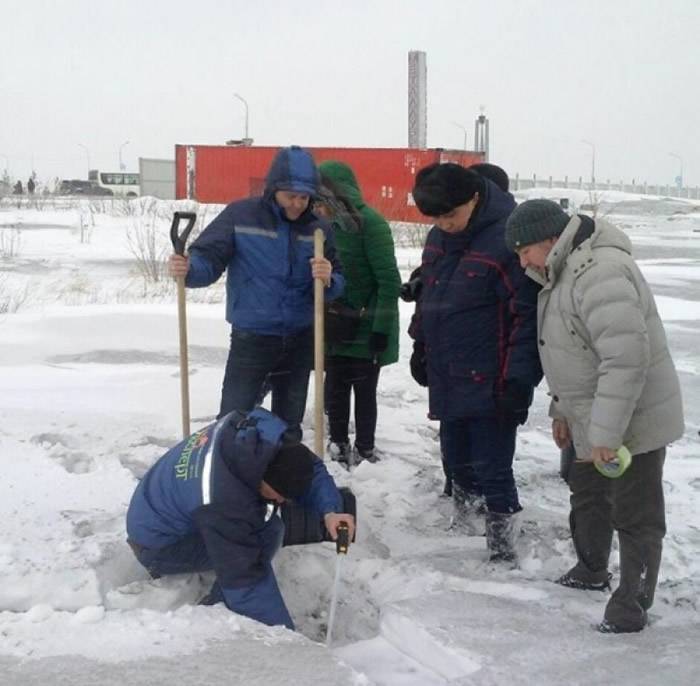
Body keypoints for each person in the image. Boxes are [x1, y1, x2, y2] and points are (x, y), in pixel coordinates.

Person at [504, 198, 684, 633]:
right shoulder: (559, 271)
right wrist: (563, 410)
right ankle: (591, 569)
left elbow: (625, 360)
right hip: (593, 415)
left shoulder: (599, 272)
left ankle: (631, 606)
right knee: (587, 491)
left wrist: (606, 433)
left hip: (634, 419)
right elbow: (571, 351)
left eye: (524, 250)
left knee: (635, 512)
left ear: (549, 239)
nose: (522, 260)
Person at [409, 163, 542, 562]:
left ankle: (503, 545)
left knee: (492, 465)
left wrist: (519, 379)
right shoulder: (438, 237)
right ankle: (463, 525)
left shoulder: (507, 239)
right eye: (436, 218)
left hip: (492, 377)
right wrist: (420, 343)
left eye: (451, 215)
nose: (444, 225)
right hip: (448, 370)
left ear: (474, 199)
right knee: (455, 458)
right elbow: (431, 296)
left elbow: (526, 317)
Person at [168, 146, 345, 441]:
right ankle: (227, 476)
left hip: (301, 337)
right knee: (234, 417)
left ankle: (280, 480)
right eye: (291, 195)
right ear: (274, 188)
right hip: (253, 336)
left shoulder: (318, 229)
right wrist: (189, 269)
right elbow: (208, 259)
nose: (299, 204)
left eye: (304, 197)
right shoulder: (241, 215)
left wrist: (329, 279)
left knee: (288, 423)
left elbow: (338, 279)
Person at [126, 407, 355, 631]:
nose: (281, 501)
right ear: (263, 479)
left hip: (163, 509)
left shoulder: (261, 437)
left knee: (269, 526)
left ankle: (223, 596)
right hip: (158, 546)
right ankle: (217, 613)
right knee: (261, 537)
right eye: (278, 496)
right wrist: (286, 641)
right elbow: (245, 576)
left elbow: (307, 467)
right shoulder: (221, 500)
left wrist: (331, 511)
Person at [313, 160, 401, 466]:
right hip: (334, 324)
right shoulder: (318, 229)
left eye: (324, 202)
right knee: (335, 387)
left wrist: (380, 329)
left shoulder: (371, 224)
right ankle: (337, 444)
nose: (319, 208)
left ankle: (365, 448)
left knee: (364, 391)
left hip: (366, 325)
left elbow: (389, 281)